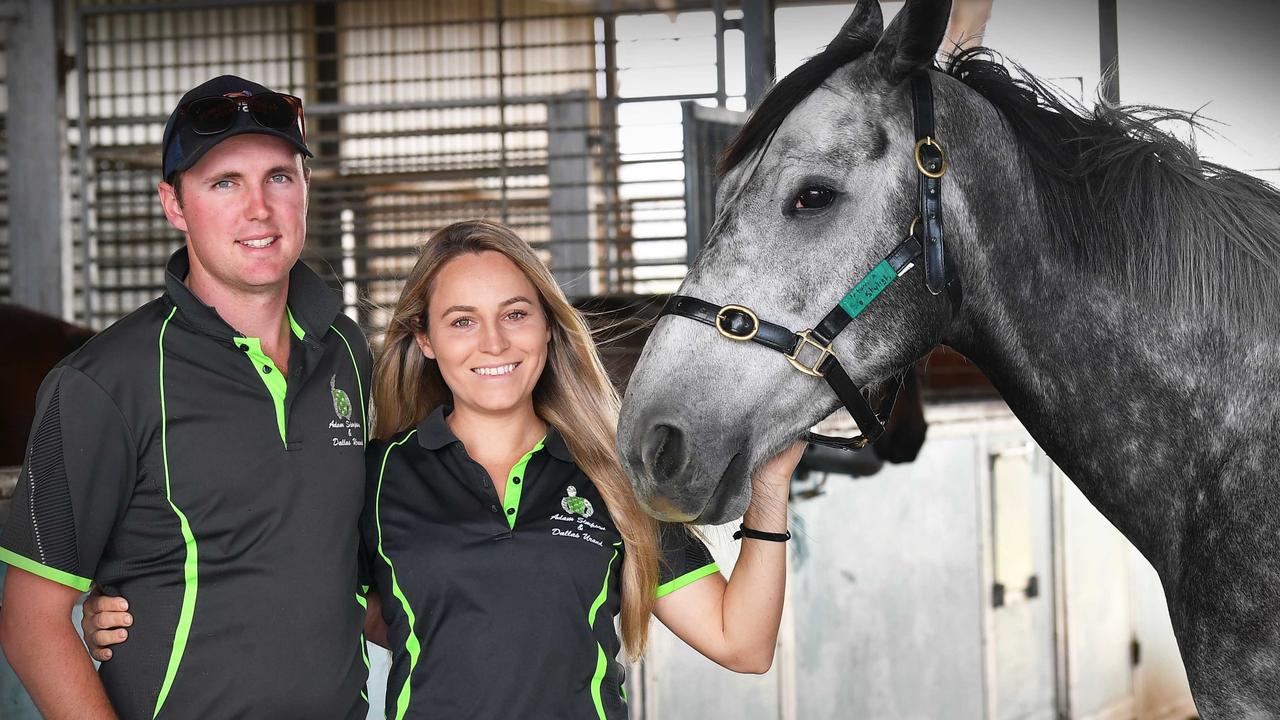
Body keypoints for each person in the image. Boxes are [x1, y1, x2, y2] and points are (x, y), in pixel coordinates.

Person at [88, 219, 805, 719]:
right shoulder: (368, 479)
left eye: (515, 314)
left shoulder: (613, 479)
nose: (492, 341)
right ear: (425, 341)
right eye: (461, 320)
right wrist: (128, 613)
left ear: (549, 329)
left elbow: (740, 644)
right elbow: (276, 590)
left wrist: (769, 494)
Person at [0, 75, 372, 719]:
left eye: (278, 177)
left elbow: (351, 561)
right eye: (224, 182)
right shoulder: (103, 382)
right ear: (173, 204)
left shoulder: (347, 352)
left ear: (306, 188)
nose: (259, 208)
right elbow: (31, 623)